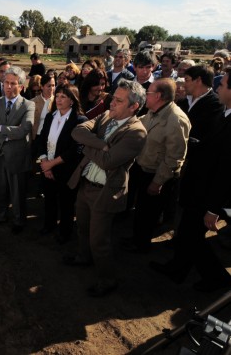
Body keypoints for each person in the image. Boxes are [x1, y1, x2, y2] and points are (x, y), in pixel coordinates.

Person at [150, 67, 231, 292]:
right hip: (197, 186)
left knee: (191, 236)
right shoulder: (225, 113)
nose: (218, 87)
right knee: (187, 233)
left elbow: (226, 170)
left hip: (206, 193)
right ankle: (178, 268)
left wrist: (213, 209)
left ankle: (218, 279)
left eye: (223, 85)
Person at [65, 79, 147, 297]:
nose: (111, 104)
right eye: (113, 98)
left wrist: (86, 147)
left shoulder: (137, 132)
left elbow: (109, 161)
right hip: (85, 185)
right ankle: (83, 258)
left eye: (118, 101)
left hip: (105, 192)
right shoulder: (106, 116)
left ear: (133, 107)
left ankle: (107, 280)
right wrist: (100, 144)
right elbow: (78, 131)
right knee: (82, 228)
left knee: (99, 241)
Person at [121, 78, 190, 253]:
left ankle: (141, 245)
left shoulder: (176, 120)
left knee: (148, 214)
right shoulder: (153, 112)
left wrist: (158, 182)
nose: (146, 95)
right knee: (141, 211)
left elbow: (174, 158)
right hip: (142, 169)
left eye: (148, 93)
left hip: (156, 176)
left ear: (158, 96)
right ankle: (137, 238)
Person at [0, 66, 35, 234]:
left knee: (17, 192)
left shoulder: (28, 105)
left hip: (17, 156)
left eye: (13, 83)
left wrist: (0, 128)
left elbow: (24, 130)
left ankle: (19, 220)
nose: (9, 86)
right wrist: (7, 132)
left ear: (21, 86)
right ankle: (0, 215)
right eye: (6, 82)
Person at [37, 83, 87, 244]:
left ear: (72, 100)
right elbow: (41, 140)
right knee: (49, 199)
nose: (58, 99)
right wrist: (45, 163)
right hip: (47, 168)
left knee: (66, 203)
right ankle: (49, 225)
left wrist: (52, 164)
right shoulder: (51, 116)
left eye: (63, 96)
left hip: (67, 170)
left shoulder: (79, 120)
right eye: (57, 96)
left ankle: (65, 232)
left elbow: (76, 149)